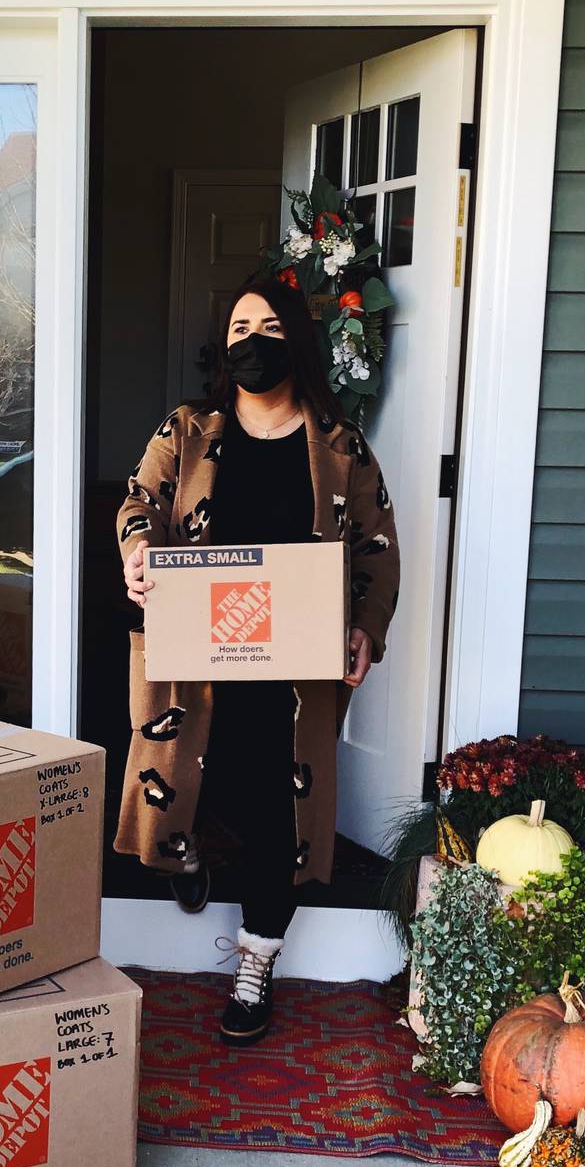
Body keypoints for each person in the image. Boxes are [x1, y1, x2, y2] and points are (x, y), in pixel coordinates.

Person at [114, 271, 400, 1044]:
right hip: (200, 657)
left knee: (278, 805)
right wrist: (139, 548)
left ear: (296, 340)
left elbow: (376, 550)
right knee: (198, 777)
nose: (251, 343)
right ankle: (189, 852)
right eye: (239, 329)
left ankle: (256, 959)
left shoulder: (339, 448)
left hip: (294, 669)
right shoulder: (188, 431)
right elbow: (138, 500)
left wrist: (365, 624)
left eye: (268, 329)